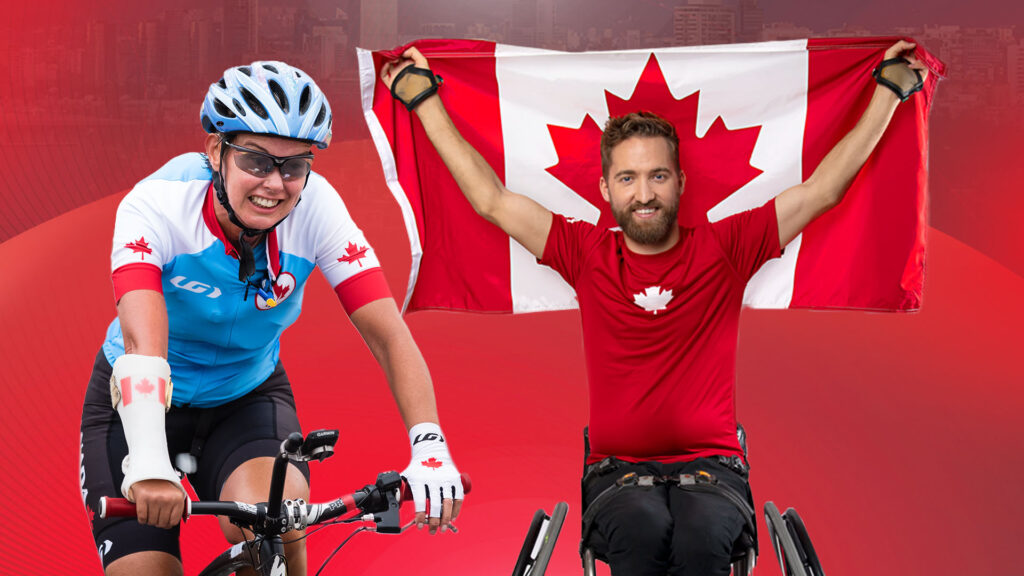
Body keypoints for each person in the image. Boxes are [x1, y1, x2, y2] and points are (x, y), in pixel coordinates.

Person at [381, 41, 927, 575]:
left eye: (657, 176)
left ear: (680, 182)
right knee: (641, 534)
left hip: (714, 470)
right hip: (618, 475)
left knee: (702, 541)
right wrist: (423, 97)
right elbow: (491, 201)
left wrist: (887, 91)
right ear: (605, 189)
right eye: (628, 178)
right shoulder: (586, 254)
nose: (644, 194)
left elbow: (822, 190)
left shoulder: (726, 249)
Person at [79, 60, 464, 576]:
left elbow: (389, 335)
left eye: (294, 165)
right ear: (216, 151)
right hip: (139, 399)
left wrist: (430, 443)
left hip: (245, 399)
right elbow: (142, 342)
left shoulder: (319, 209)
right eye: (256, 161)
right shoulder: (157, 204)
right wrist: (149, 462)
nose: (275, 184)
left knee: (277, 525)